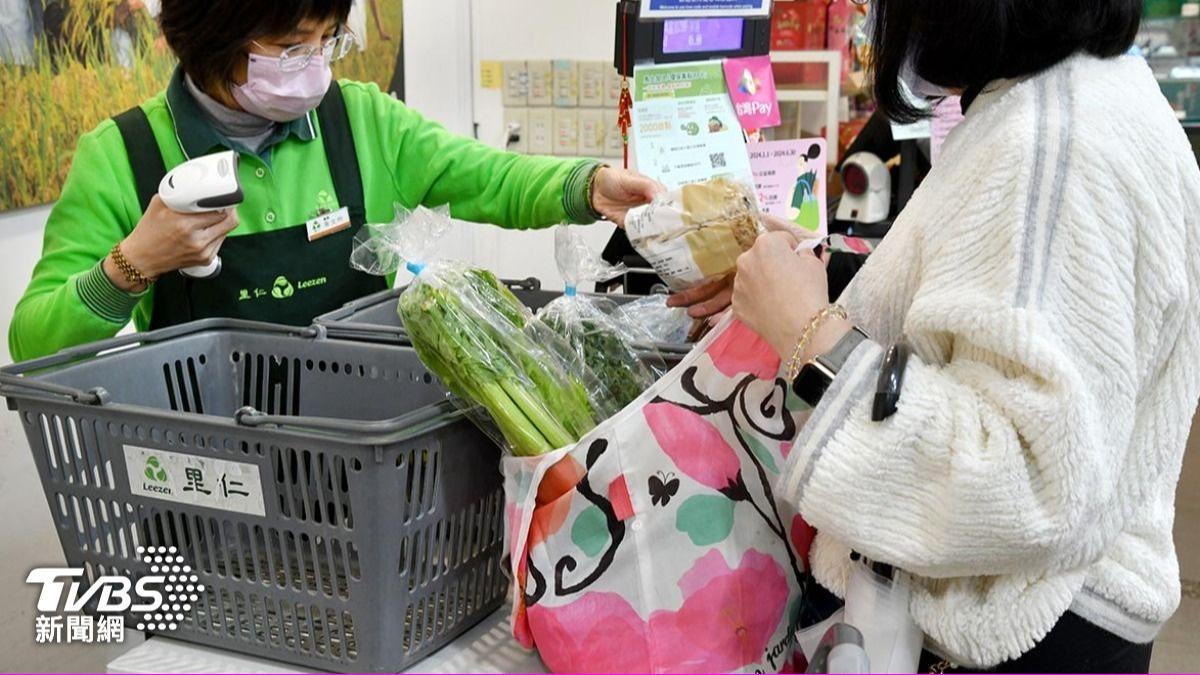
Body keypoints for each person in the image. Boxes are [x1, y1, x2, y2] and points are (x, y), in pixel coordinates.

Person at [730, 0, 1200, 672]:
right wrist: (817, 276)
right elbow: (984, 309)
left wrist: (808, 334)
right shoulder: (1090, 94)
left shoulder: (1046, 142)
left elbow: (1023, 479)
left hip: (1016, 636)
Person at [8, 0, 658, 363]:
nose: (313, 67)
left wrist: (588, 185)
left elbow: (488, 176)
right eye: (292, 46)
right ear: (209, 37)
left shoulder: (361, 119)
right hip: (216, 481)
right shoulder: (122, 153)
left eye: (326, 41)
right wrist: (132, 264)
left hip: (362, 463)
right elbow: (34, 338)